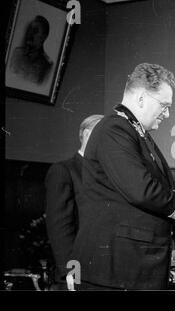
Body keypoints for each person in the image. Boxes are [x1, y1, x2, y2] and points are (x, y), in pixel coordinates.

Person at [70, 63, 175, 290]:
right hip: (117, 271)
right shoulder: (113, 129)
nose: (168, 114)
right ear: (142, 98)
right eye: (164, 105)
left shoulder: (135, 133)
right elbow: (142, 190)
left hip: (131, 268)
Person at [45, 114, 103, 290]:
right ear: (86, 135)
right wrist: (72, 272)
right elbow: (59, 229)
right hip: (77, 275)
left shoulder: (108, 173)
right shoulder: (63, 170)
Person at [10, 15, 53, 84]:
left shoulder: (46, 66)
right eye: (30, 30)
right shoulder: (17, 53)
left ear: (43, 37)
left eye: (35, 31)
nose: (30, 33)